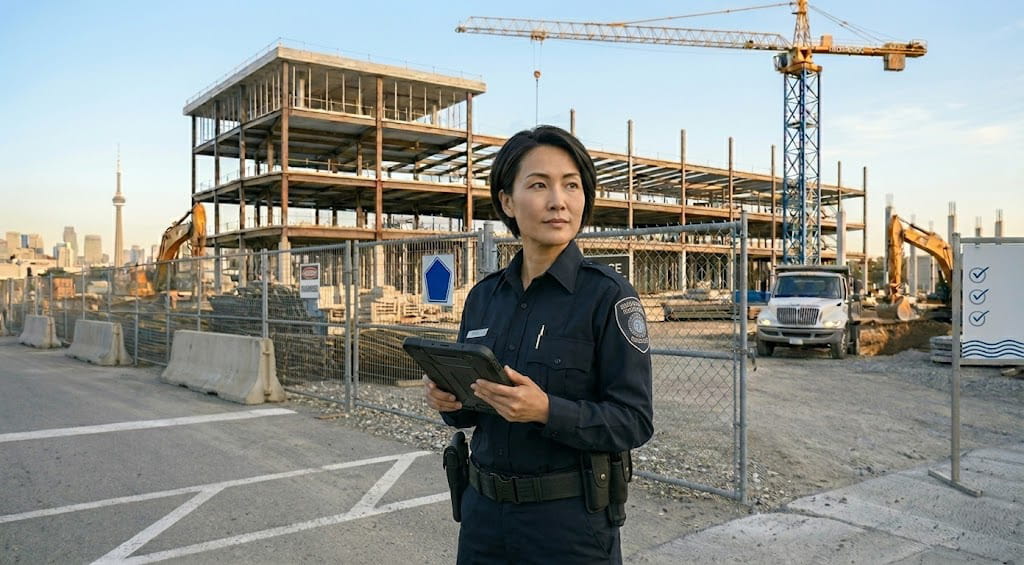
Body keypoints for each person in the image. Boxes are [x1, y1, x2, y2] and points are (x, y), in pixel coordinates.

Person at [424, 125, 654, 564]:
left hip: (568, 527)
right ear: (507, 201)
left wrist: (546, 410)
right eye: (538, 185)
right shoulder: (484, 297)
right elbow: (471, 414)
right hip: (483, 520)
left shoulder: (608, 297)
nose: (558, 201)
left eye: (572, 185)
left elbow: (634, 421)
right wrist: (448, 400)